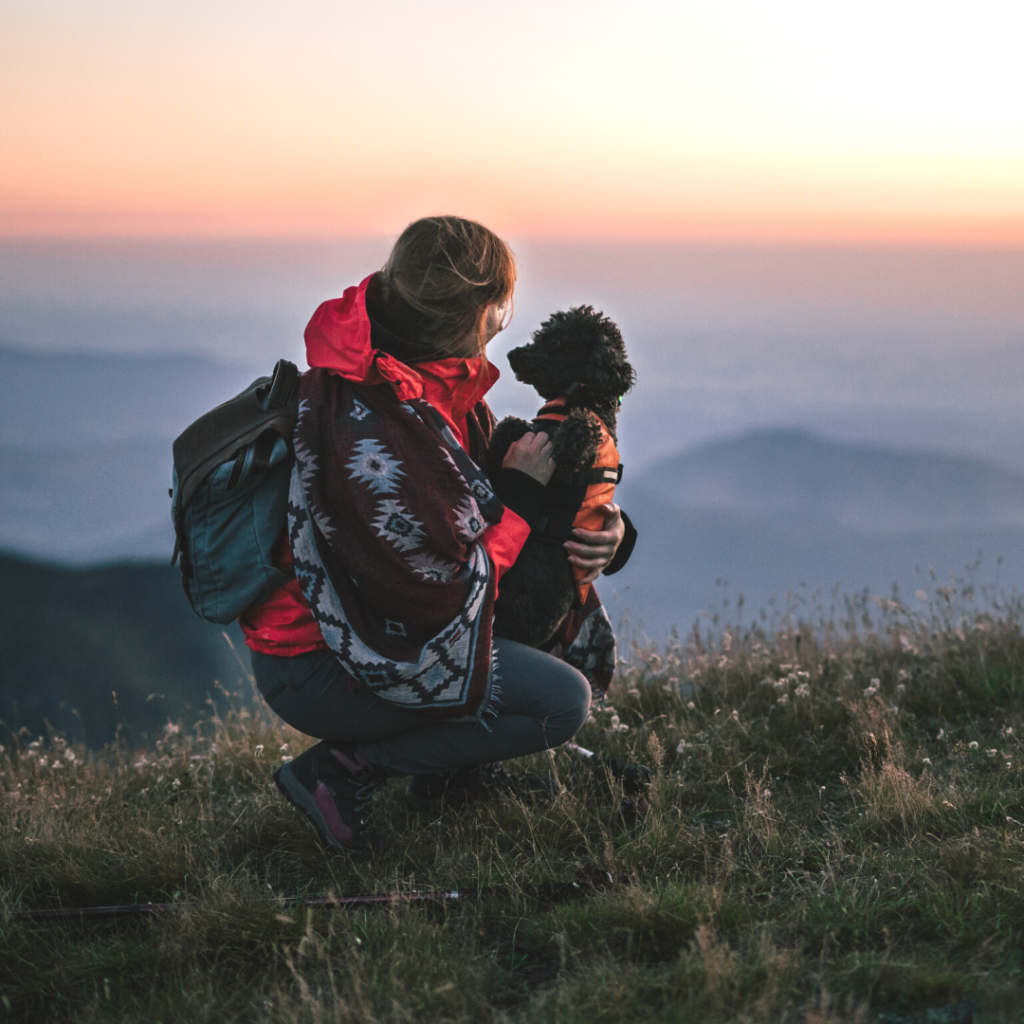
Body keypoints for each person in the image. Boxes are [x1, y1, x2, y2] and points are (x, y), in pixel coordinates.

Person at [240, 216, 634, 850]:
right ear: (472, 314)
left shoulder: (431, 383)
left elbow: (470, 507)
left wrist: (607, 532)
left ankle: (451, 778)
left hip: (362, 634)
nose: (503, 320)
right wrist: (524, 497)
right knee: (560, 702)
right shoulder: (378, 420)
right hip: (321, 666)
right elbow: (441, 590)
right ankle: (341, 771)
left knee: (529, 635)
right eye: (499, 305)